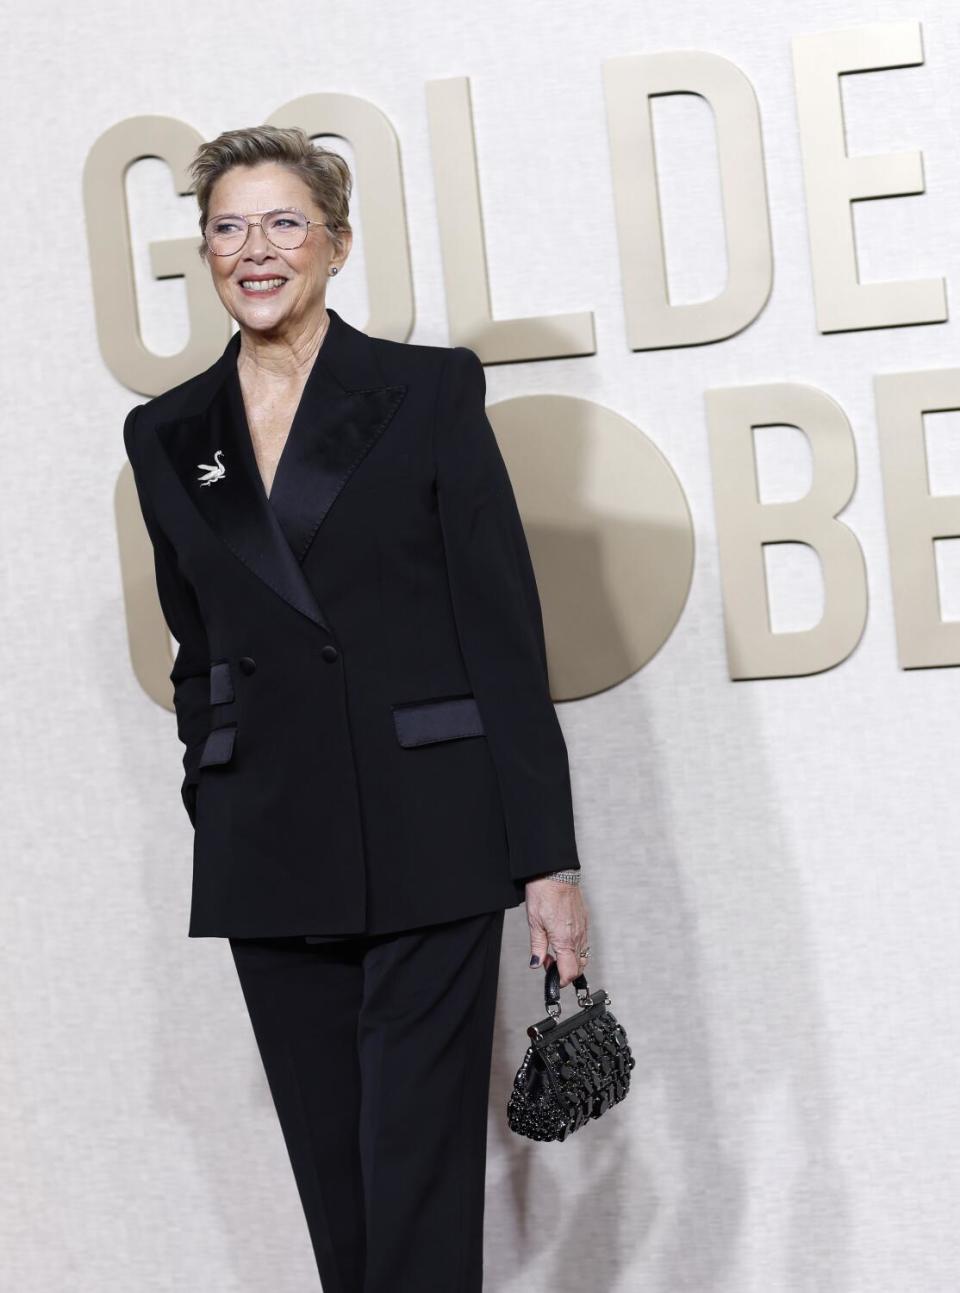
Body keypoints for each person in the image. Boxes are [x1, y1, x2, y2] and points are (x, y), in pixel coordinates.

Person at [123, 124, 590, 1291]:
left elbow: (501, 629)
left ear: (335, 243)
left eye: (284, 222)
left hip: (431, 824)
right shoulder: (168, 434)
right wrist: (213, 781)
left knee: (415, 1170)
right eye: (229, 227)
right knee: (336, 1187)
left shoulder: (425, 390)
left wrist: (547, 860)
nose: (256, 249)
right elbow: (200, 648)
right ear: (206, 252)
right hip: (269, 840)